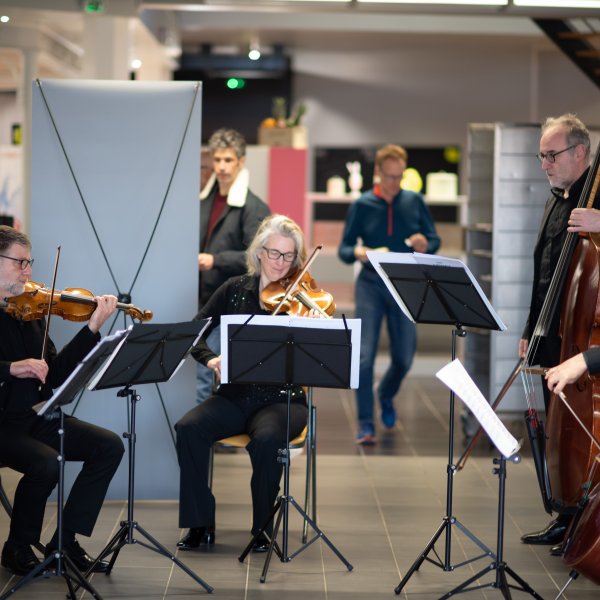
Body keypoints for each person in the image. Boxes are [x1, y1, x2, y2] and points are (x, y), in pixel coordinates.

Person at [176, 214, 315, 552]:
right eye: (274, 253)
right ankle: (199, 523)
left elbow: (321, 354)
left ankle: (262, 528)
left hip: (283, 400)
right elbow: (192, 333)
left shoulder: (304, 299)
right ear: (258, 252)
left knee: (267, 441)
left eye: (289, 256)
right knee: (188, 428)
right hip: (235, 395)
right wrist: (211, 358)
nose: (281, 263)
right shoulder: (234, 290)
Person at [0, 225, 125, 576]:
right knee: (47, 462)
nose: (28, 271)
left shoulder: (32, 311)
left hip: (31, 417)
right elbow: (15, 369)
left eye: (30, 263)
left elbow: (54, 377)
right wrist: (11, 368)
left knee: (109, 446)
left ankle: (64, 542)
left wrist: (93, 328)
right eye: (20, 263)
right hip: (2, 422)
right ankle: (17, 548)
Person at [518, 114, 594, 551]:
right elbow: (541, 273)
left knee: (578, 435)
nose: (544, 163)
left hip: (584, 339)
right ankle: (564, 514)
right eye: (541, 156)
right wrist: (533, 327)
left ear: (580, 152)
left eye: (552, 155)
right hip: (553, 333)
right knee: (555, 431)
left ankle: (583, 520)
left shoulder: (597, 201)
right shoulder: (554, 200)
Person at [338, 144, 440, 445]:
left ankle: (386, 394)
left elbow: (434, 239)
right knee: (364, 357)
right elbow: (345, 249)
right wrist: (358, 252)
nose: (395, 183)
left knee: (404, 357)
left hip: (405, 284)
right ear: (378, 174)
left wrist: (425, 244)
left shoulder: (414, 201)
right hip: (370, 283)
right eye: (390, 177)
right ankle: (366, 422)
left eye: (400, 177)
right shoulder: (362, 204)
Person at [196, 128, 270, 404]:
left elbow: (257, 256)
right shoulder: (204, 200)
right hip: (202, 299)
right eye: (217, 160)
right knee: (203, 372)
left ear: (241, 161)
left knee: (206, 373)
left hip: (229, 305)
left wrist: (216, 260)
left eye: (228, 160)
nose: (222, 167)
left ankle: (204, 436)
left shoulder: (254, 207)